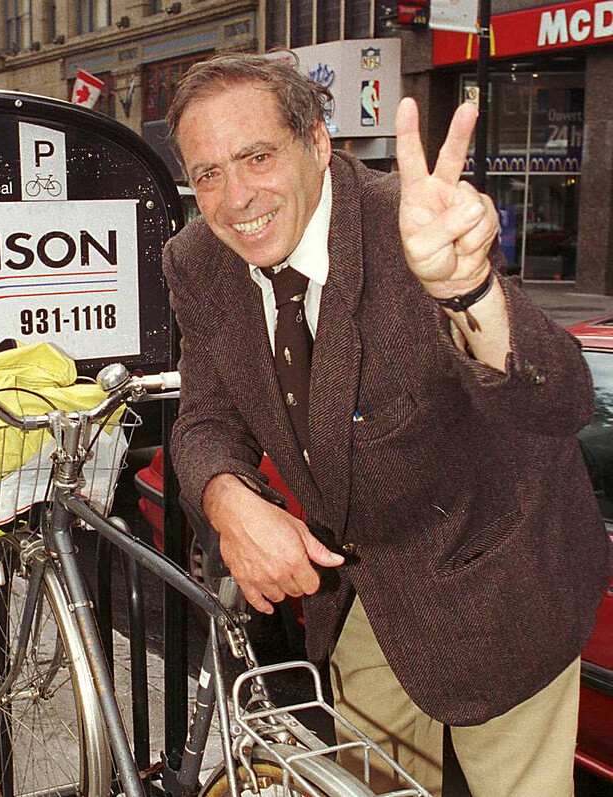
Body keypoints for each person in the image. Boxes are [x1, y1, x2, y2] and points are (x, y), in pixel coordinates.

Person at [162, 52, 611, 797]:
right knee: (369, 787)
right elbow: (205, 413)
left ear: (316, 141)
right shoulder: (198, 261)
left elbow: (560, 400)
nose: (236, 197)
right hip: (368, 588)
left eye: (257, 156)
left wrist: (468, 292)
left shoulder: (413, 228)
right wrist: (226, 497)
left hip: (502, 579)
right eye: (207, 172)